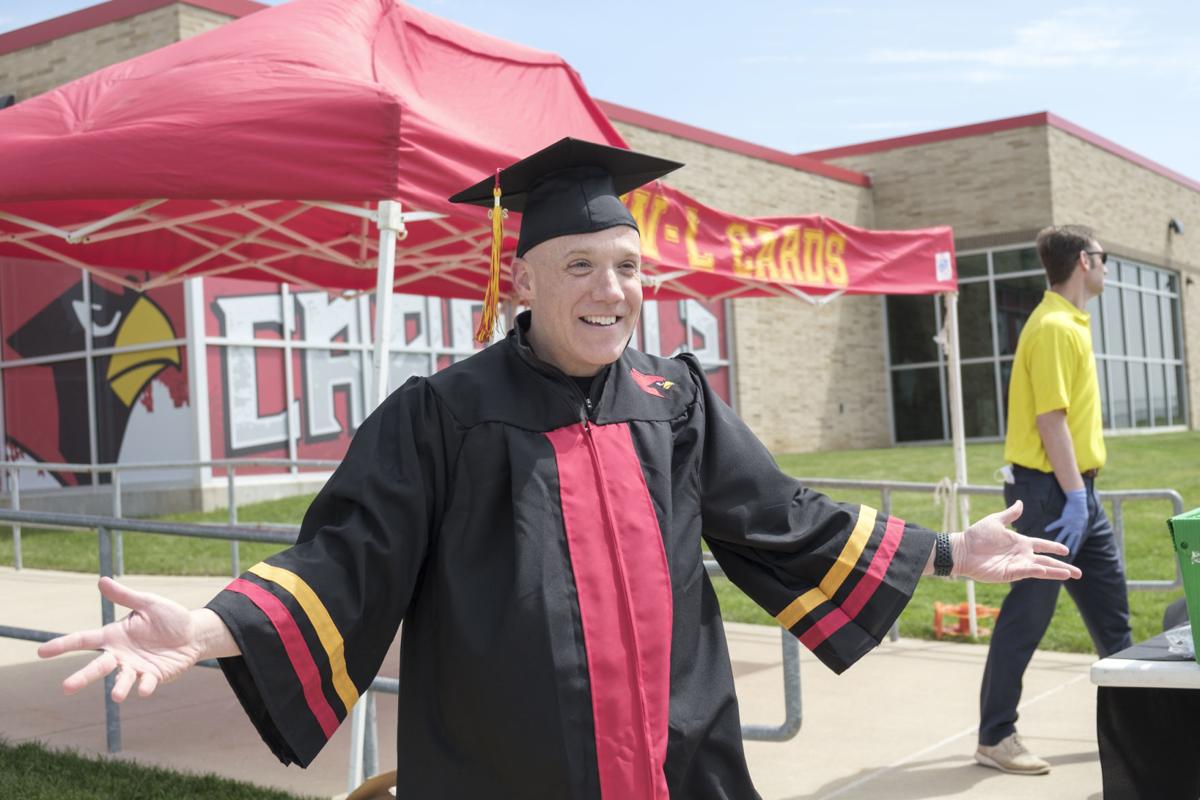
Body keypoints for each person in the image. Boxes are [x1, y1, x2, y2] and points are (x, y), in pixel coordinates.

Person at [40, 139, 1081, 799]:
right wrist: (209, 628)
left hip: (679, 764)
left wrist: (950, 550)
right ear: (522, 279)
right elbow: (346, 557)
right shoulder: (444, 415)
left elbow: (784, 517)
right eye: (579, 264)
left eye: (627, 266)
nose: (609, 288)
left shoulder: (675, 402)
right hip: (515, 771)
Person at [975, 224, 1133, 776]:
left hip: (1075, 493)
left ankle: (1140, 727)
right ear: (1084, 261)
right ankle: (996, 736)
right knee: (1028, 614)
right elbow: (1051, 420)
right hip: (1051, 495)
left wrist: (1081, 497)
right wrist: (1073, 497)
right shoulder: (1053, 328)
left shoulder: (1070, 323)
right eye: (1104, 256)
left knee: (1113, 617)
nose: (1107, 266)